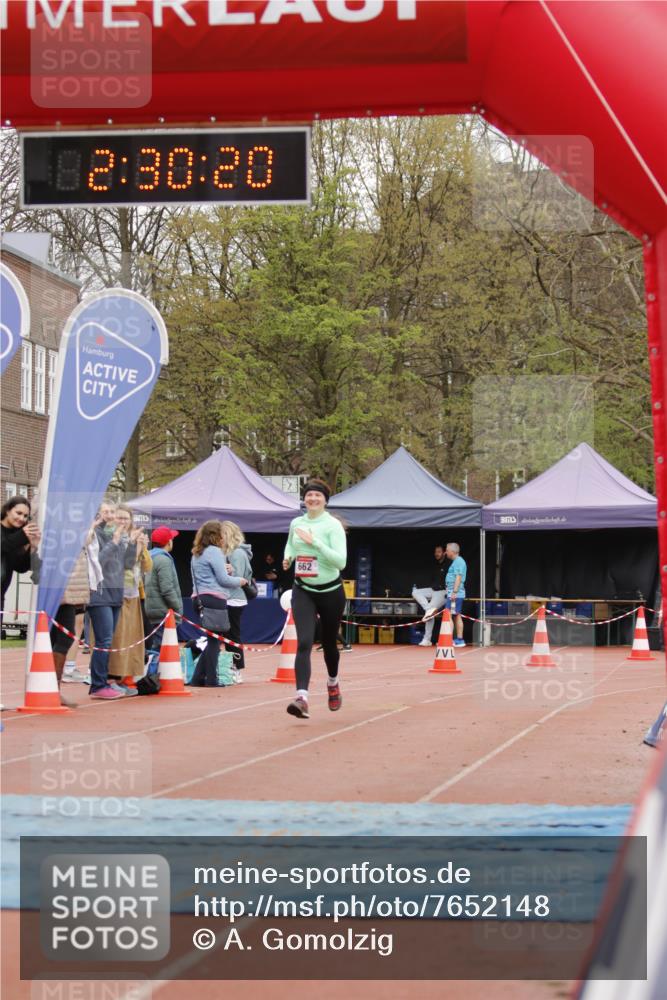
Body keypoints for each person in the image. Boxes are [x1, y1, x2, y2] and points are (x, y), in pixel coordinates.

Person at [282, 479, 347, 719]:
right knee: (304, 642)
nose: (312, 499)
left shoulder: (332, 526)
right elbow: (290, 545)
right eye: (309, 495)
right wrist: (288, 558)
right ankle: (302, 698)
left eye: (317, 496)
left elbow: (340, 562)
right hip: (303, 589)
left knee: (329, 644)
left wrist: (315, 543)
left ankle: (333, 682)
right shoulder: (296, 522)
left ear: (325, 500)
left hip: (331, 591)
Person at [87, 506, 138, 700]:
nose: (112, 516)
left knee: (107, 641)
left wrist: (132, 543)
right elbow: (97, 562)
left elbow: (127, 564)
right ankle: (98, 685)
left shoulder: (113, 535)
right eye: (107, 512)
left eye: (112, 512)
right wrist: (115, 541)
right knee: (104, 641)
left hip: (116, 593)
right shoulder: (95, 535)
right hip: (100, 594)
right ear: (98, 516)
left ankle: (104, 682)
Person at [190, 520, 246, 687]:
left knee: (212, 639)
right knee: (215, 641)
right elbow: (223, 580)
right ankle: (212, 679)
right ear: (216, 536)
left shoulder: (197, 553)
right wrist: (240, 580)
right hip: (215, 598)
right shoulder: (214, 551)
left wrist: (225, 570)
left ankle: (197, 678)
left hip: (198, 597)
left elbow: (209, 574)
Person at [106, 506, 152, 692]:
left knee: (132, 636)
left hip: (134, 592)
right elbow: (124, 563)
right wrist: (134, 546)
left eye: (126, 518)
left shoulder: (134, 536)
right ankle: (114, 676)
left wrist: (143, 548)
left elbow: (147, 566)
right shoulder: (110, 537)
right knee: (118, 636)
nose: (122, 521)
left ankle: (128, 675)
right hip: (116, 591)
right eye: (119, 517)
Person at [49, 547, 91, 707]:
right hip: (58, 589)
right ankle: (52, 688)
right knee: (60, 636)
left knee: (62, 636)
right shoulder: (65, 535)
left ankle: (53, 689)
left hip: (69, 591)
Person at [220, 520, 253, 682]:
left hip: (235, 598)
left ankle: (237, 668)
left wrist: (228, 571)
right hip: (229, 597)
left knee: (232, 635)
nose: (220, 538)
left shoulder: (237, 553)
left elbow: (238, 577)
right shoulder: (227, 552)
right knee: (227, 635)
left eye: (222, 535)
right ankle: (231, 667)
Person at [144, 525, 183, 658]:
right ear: (168, 542)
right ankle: (154, 675)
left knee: (158, 644)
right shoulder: (163, 560)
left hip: (153, 609)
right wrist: (177, 607)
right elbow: (167, 588)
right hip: (164, 611)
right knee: (162, 647)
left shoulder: (149, 557)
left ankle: (153, 674)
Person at [1, 495, 41, 613]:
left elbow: (21, 567)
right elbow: (3, 545)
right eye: (18, 513)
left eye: (25, 516)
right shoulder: (18, 536)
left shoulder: (17, 536)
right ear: (7, 510)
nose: (21, 518)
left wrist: (33, 547)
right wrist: (23, 536)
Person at [413, 544, 448, 646]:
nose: (436, 554)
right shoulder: (436, 565)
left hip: (443, 592)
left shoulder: (449, 564)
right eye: (435, 552)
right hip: (433, 590)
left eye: (439, 552)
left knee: (430, 612)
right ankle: (429, 609)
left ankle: (427, 639)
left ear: (444, 553)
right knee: (415, 592)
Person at [445, 541, 467, 647]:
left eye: (447, 550)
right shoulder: (457, 561)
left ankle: (450, 640)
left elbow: (458, 577)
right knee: (456, 615)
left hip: (455, 593)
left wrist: (454, 592)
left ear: (452, 551)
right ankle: (459, 639)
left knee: (448, 615)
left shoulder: (458, 561)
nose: (446, 552)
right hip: (455, 593)